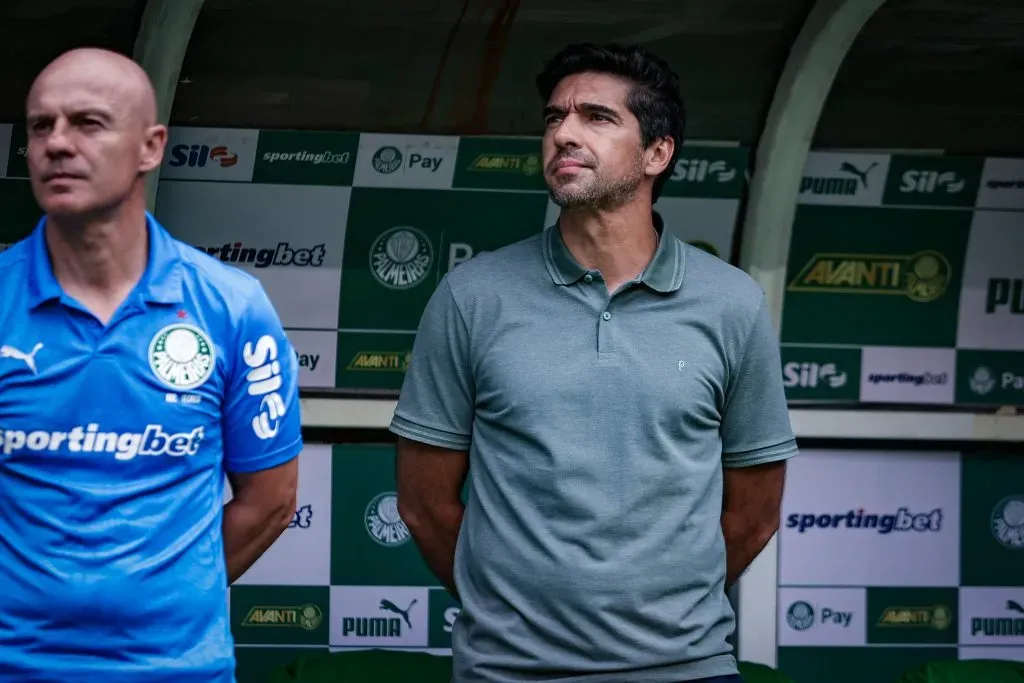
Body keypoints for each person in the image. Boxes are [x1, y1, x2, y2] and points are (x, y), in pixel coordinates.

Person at [391, 42, 797, 683]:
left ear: (657, 154)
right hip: (509, 671)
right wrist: (510, 614)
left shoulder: (732, 303)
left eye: (597, 118)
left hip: (687, 669)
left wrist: (664, 617)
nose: (564, 134)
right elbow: (423, 502)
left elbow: (755, 511)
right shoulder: (472, 294)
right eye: (554, 118)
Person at [0, 48, 303, 681]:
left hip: (177, 668)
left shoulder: (230, 306)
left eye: (88, 123)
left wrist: (167, 596)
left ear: (151, 146)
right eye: (39, 126)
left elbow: (270, 501)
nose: (56, 144)